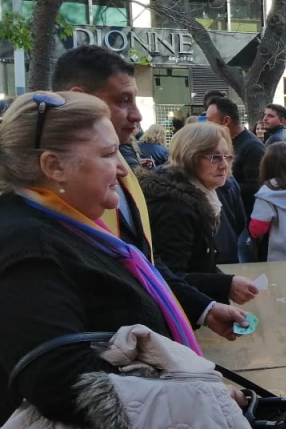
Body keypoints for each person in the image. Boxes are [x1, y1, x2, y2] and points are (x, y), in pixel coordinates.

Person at [0, 92, 209, 424]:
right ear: (54, 166)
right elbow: (61, 381)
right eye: (109, 154)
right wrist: (198, 395)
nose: (123, 171)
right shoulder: (29, 245)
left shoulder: (71, 227)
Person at [52, 44, 246, 343]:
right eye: (123, 100)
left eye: (227, 157)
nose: (137, 115)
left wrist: (204, 308)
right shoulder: (35, 217)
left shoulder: (129, 176)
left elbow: (146, 262)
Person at [139, 123, 260, 306]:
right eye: (215, 158)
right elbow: (170, 278)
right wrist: (225, 285)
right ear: (190, 157)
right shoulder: (174, 206)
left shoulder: (206, 193)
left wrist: (225, 283)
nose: (224, 165)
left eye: (227, 157)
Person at [207, 96, 264, 217]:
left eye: (210, 121)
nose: (207, 126)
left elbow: (255, 187)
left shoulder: (253, 147)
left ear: (226, 121)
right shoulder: (226, 141)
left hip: (246, 218)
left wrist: (220, 184)